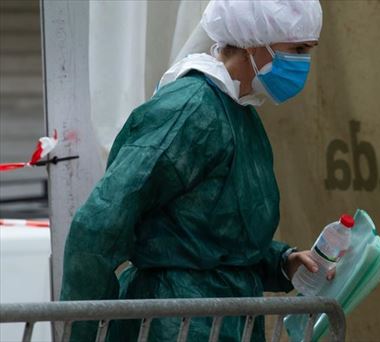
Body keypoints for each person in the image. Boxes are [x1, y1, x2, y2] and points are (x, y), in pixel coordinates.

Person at [60, 1, 324, 341]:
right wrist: (85, 331)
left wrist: (281, 262)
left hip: (226, 319)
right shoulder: (190, 110)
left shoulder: (239, 115)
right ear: (254, 40)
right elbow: (98, 224)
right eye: (298, 49)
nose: (303, 63)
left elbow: (215, 234)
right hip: (174, 324)